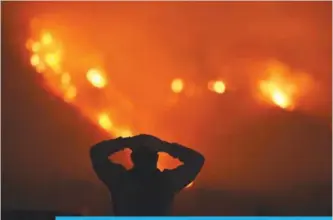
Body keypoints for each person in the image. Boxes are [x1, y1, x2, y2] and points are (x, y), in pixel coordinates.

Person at [90, 134, 205, 216]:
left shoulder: (120, 180)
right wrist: (164, 146)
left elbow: (96, 153)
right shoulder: (166, 182)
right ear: (156, 158)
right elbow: (196, 160)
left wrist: (127, 142)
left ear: (133, 158)